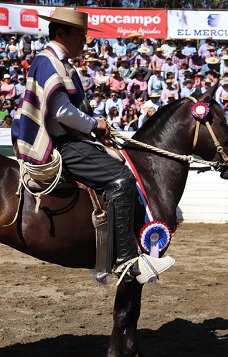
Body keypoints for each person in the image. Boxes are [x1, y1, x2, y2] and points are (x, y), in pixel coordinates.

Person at [11, 8, 172, 284]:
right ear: (61, 33)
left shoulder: (59, 63)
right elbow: (61, 111)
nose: (85, 42)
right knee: (121, 179)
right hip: (61, 142)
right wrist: (94, 125)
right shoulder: (50, 61)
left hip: (71, 137)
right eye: (81, 36)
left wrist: (96, 127)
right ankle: (125, 260)